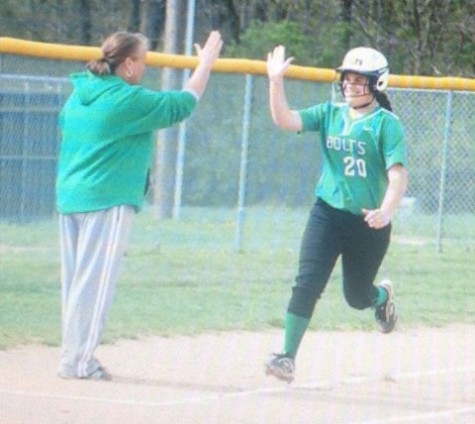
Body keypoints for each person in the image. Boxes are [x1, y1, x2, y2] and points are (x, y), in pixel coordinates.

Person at [56, 30, 223, 380]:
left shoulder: (79, 95)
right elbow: (183, 104)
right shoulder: (124, 99)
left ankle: (71, 357)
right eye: (143, 62)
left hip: (69, 197)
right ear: (128, 64)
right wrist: (205, 64)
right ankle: (81, 361)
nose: (144, 69)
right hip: (107, 199)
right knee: (96, 284)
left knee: (76, 283)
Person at [264, 45, 408, 383]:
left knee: (356, 297)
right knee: (306, 283)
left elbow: (398, 176)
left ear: (378, 84)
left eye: (360, 80)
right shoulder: (330, 112)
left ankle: (382, 296)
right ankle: (286, 357)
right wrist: (275, 82)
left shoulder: (386, 124)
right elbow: (285, 120)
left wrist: (386, 212)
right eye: (347, 78)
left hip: (368, 221)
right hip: (327, 214)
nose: (350, 85)